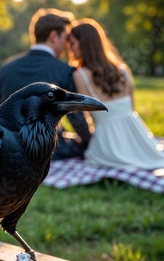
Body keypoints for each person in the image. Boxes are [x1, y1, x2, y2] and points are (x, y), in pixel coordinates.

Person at [68, 18, 164, 169]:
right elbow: (132, 109)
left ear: (84, 44)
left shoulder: (80, 75)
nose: (70, 49)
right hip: (137, 136)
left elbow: (87, 117)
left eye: (72, 43)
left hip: (108, 145)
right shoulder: (123, 70)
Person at [0, 9, 91, 159]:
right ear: (54, 36)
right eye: (65, 38)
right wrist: (90, 144)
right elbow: (77, 119)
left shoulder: (6, 68)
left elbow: (1, 111)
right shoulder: (64, 70)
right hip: (48, 150)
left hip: (9, 147)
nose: (67, 45)